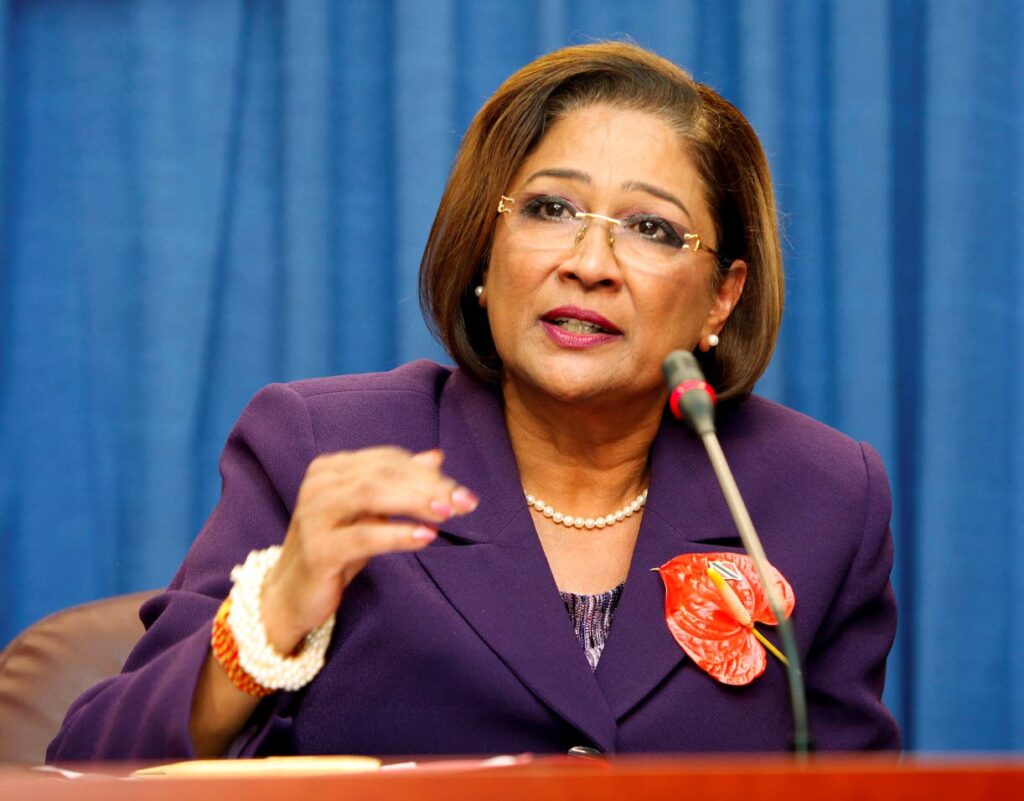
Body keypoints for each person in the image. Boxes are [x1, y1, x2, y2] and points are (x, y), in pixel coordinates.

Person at [48, 41, 899, 761]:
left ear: (721, 296)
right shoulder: (322, 446)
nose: (588, 264)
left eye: (650, 228)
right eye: (551, 208)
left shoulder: (820, 496)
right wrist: (272, 616)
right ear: (486, 255)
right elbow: (92, 764)